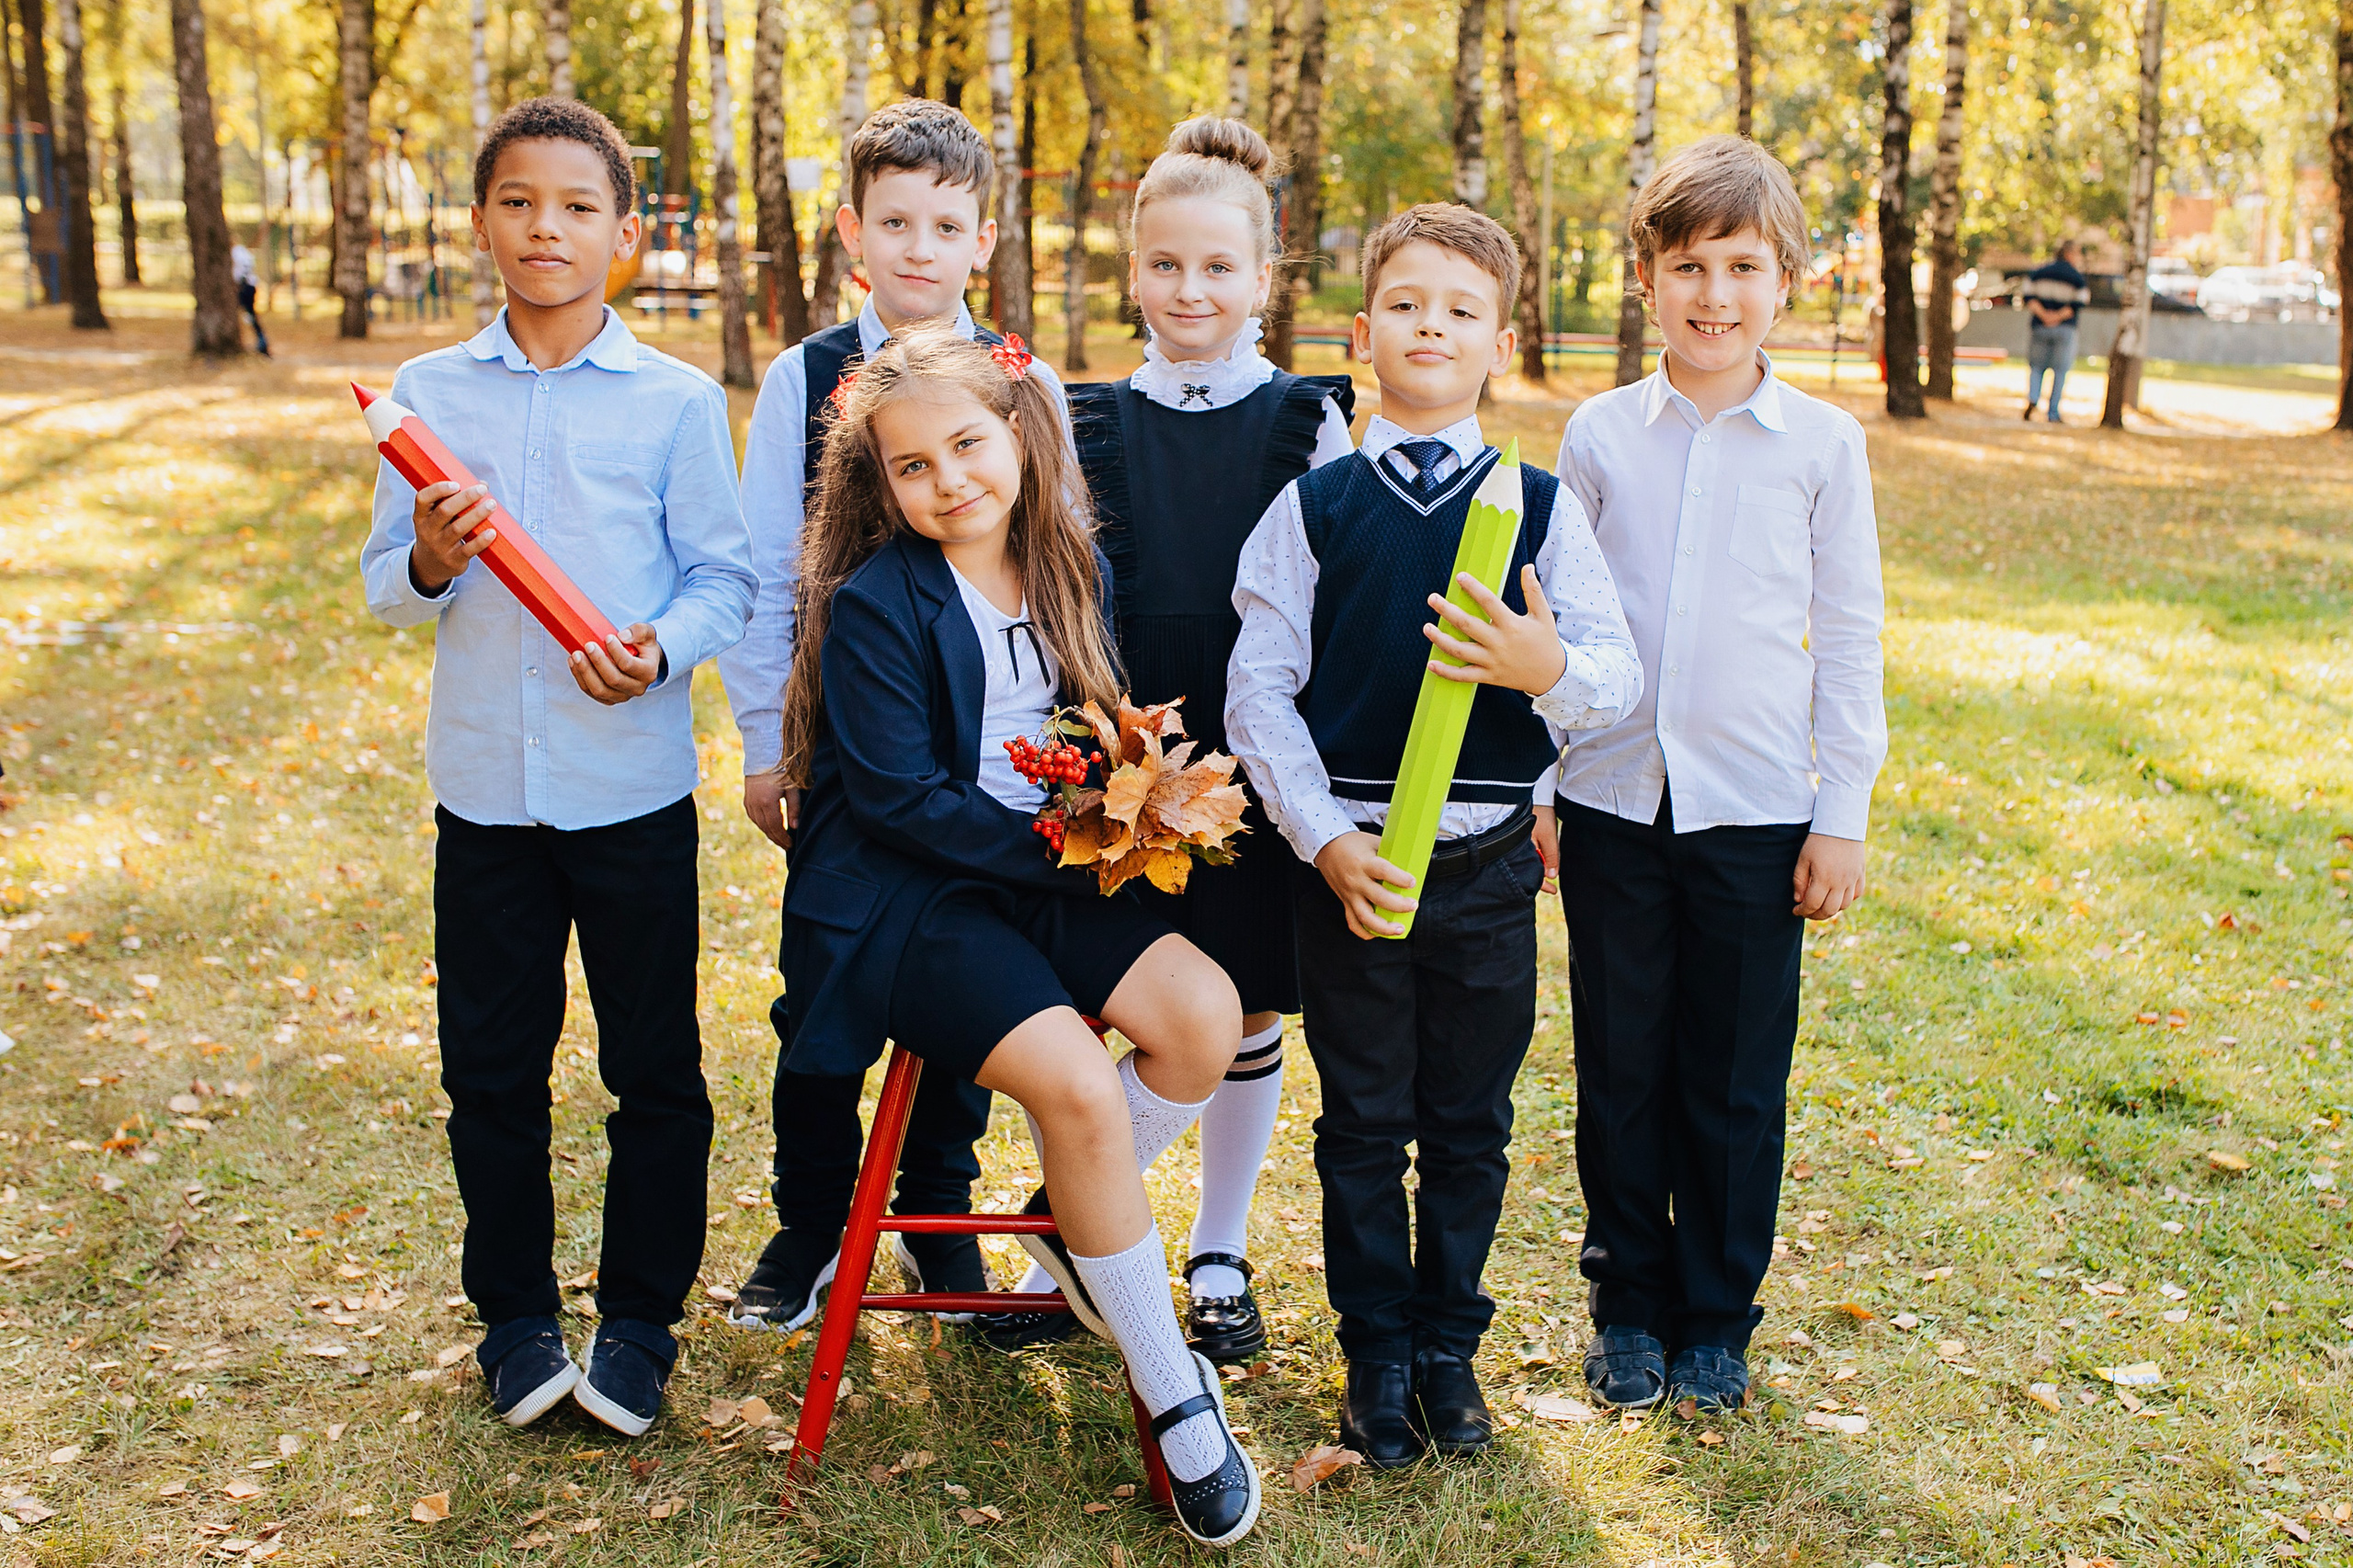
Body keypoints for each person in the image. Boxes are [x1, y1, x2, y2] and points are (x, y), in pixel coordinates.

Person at [777, 324, 1259, 1547]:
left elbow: (1083, 724)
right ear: (878, 485)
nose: (949, 481)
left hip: (1032, 866)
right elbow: (899, 800)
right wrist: (1073, 846)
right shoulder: (878, 601)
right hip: (913, 897)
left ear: (1017, 434)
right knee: (1081, 1092)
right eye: (913, 466)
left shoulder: (1061, 566)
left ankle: (1080, 1232)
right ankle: (1172, 1384)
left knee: (1205, 1018)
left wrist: (1135, 781)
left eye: (967, 444)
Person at [359, 97, 756, 1438]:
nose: (548, 227)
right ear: (481, 223)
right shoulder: (424, 398)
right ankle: (517, 1316)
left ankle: (640, 1321)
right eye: (521, 202)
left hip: (630, 791)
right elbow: (386, 592)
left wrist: (657, 653)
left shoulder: (679, 399)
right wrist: (432, 554)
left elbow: (725, 581)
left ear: (624, 235)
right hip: (484, 796)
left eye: (579, 206)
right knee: (490, 1067)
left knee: (653, 1068)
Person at [1225, 204, 1643, 1467]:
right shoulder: (1314, 508)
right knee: (1361, 1118)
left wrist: (1544, 660)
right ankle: (1377, 1354)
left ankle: (1450, 1353)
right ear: (1363, 334)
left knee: (1469, 1118)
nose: (1432, 327)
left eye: (1461, 311)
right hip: (1353, 863)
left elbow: (1618, 675)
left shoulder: (1538, 507)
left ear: (1497, 348)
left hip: (1486, 868)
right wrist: (1320, 840)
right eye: (1407, 303)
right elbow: (1259, 691)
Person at [983, 116, 1357, 1360]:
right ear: (1131, 271)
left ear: (1262, 275)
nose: (1188, 290)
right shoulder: (1074, 413)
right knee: (1116, 999)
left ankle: (1217, 1247)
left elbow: (1337, 601)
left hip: (1256, 739)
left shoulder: (1312, 420)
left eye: (1215, 267)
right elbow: (1055, 585)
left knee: (1247, 1009)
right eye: (1162, 265)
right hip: (1117, 732)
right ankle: (1087, 1238)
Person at [716, 99, 1069, 1335]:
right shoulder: (808, 374)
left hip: (989, 761)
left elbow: (1057, 559)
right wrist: (768, 744)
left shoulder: (1024, 375)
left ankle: (936, 1215)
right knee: (819, 1000)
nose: (920, 247)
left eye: (947, 224)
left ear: (984, 238)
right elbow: (768, 570)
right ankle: (812, 1227)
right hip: (844, 750)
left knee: (972, 989)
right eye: (895, 221)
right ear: (854, 233)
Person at [1552, 134, 1885, 1415]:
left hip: (1757, 810)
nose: (1714, 294)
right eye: (1689, 265)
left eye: (1743, 265)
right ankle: (1627, 1308)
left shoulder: (1822, 445)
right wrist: (1540, 788)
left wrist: (1840, 812)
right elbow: (1558, 621)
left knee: (1735, 1075)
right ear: (1649, 280)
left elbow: (1848, 634)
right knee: (1622, 1064)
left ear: (1786, 280)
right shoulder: (1597, 436)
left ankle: (1714, 1320)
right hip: (1612, 802)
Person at [2021, 239, 2088, 423]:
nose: (2078, 258)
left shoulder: (2039, 273)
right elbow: (2077, 304)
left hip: (2040, 326)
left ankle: (2033, 398)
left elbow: (2028, 295)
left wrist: (2044, 315)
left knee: (2036, 367)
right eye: (2077, 253)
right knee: (2060, 370)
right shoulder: (2076, 278)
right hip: (2064, 329)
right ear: (2068, 254)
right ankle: (2052, 412)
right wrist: (2056, 317)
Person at [231, 239, 270, 358]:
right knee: (250, 316)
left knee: (247, 316)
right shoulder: (242, 251)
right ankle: (262, 342)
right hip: (250, 285)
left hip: (242, 286)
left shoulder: (233, 252)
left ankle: (262, 343)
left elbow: (240, 272)